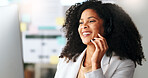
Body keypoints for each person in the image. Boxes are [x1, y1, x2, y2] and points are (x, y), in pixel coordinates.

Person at [54, 0, 145, 78]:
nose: (84, 26)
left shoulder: (123, 64)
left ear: (107, 27)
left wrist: (96, 64)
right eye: (81, 23)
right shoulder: (67, 59)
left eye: (91, 21)